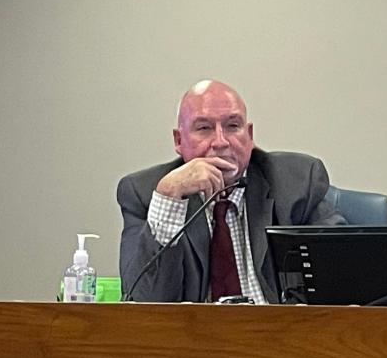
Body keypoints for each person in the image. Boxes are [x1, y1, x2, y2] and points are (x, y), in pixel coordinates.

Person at [117, 79, 344, 302]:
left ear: (250, 135)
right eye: (204, 128)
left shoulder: (297, 182)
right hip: (191, 335)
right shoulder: (146, 193)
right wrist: (168, 199)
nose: (220, 141)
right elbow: (144, 302)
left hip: (277, 332)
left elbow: (343, 272)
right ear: (179, 140)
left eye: (232, 126)